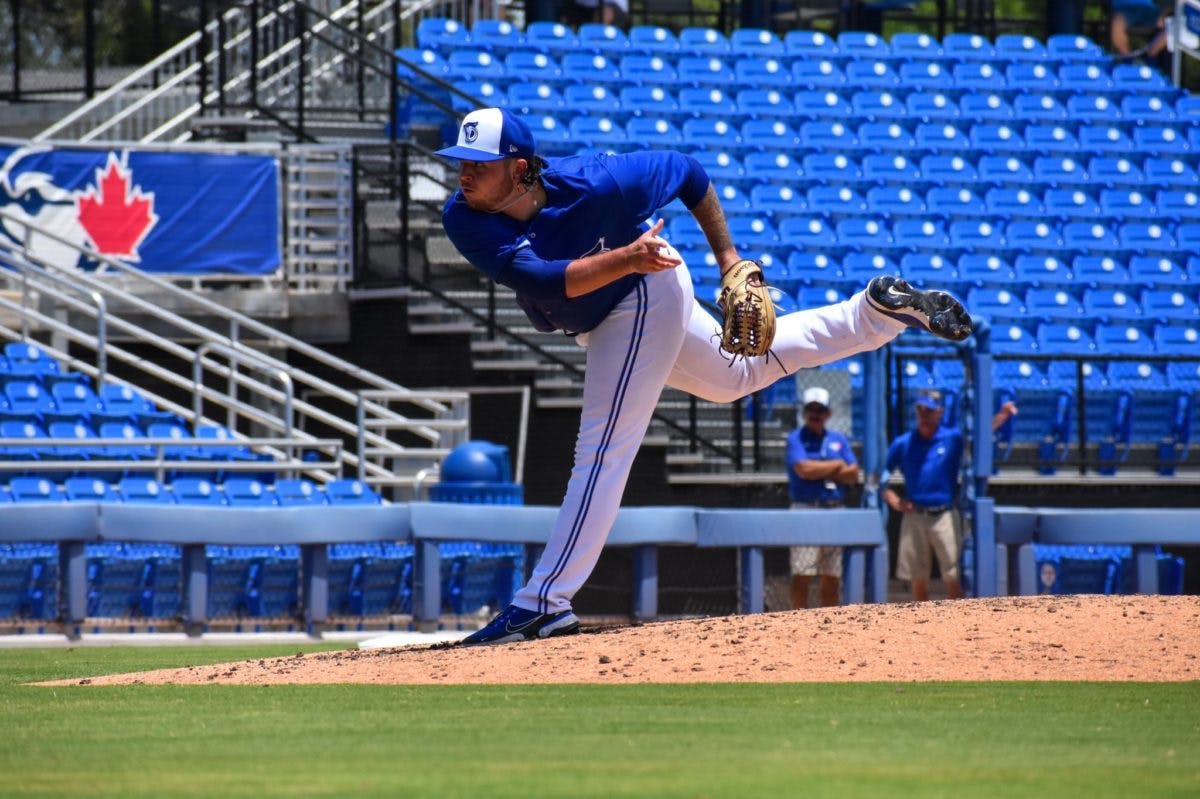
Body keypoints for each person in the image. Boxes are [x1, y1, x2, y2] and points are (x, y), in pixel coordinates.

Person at [435, 107, 972, 644]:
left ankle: (543, 602)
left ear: (521, 168)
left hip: (643, 290)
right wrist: (625, 258)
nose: (464, 173)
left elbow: (689, 171)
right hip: (619, 284)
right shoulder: (464, 217)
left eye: (478, 163)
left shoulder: (599, 181)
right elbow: (546, 281)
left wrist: (729, 259)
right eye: (460, 161)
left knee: (602, 450)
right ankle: (872, 314)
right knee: (735, 377)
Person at [881, 389, 965, 602]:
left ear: (940, 412)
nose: (924, 415)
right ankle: (922, 627)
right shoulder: (904, 442)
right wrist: (893, 499)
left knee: (953, 574)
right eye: (920, 410)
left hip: (944, 514)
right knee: (917, 578)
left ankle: (961, 627)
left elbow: (982, 437)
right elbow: (880, 475)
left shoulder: (952, 439)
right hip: (914, 513)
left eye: (929, 410)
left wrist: (1001, 416)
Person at [785, 386, 858, 609]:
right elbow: (803, 469)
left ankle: (829, 624)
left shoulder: (838, 439)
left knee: (832, 573)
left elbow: (853, 473)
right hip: (805, 509)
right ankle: (798, 621)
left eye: (820, 410)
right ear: (804, 412)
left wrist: (820, 469)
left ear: (828, 413)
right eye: (811, 410)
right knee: (802, 571)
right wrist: (836, 465)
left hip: (834, 509)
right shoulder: (795, 438)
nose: (815, 415)